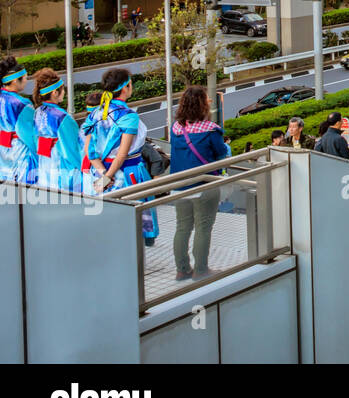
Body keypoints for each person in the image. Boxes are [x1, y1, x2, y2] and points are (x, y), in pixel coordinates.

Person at [81, 68, 159, 243]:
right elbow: (122, 154)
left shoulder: (95, 113)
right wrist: (108, 177)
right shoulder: (129, 116)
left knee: (107, 222)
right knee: (133, 223)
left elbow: (89, 149)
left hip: (99, 173)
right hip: (128, 173)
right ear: (125, 88)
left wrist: (102, 173)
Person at [168, 86, 230, 279]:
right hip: (204, 184)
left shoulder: (176, 128)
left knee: (182, 227)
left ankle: (182, 269)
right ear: (203, 105)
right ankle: (201, 269)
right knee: (203, 227)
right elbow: (221, 154)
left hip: (179, 185)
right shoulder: (211, 130)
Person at [28, 68, 83, 191]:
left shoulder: (38, 112)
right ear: (55, 93)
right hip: (62, 170)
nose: (64, 92)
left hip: (44, 167)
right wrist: (84, 170)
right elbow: (72, 150)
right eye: (63, 89)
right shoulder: (62, 117)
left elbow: (36, 141)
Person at [0, 55, 37, 185]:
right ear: (15, 81)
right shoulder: (22, 104)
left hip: (3, 150)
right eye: (25, 77)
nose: (27, 80)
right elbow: (30, 136)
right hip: (20, 152)